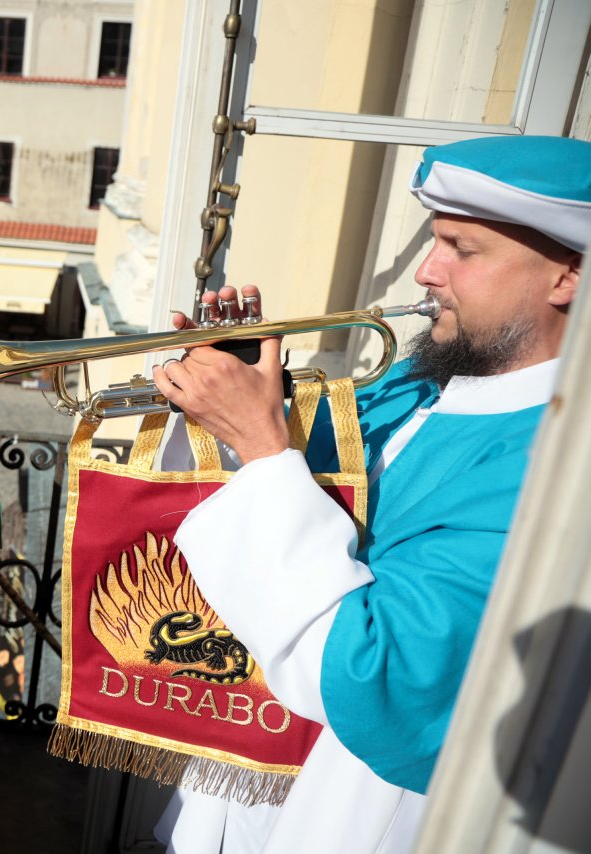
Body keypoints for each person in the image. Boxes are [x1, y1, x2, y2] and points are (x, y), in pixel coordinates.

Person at [148, 134, 587, 853]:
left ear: (567, 275)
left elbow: (374, 671)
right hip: (242, 772)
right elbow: (262, 510)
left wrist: (261, 446)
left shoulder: (558, 466)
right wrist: (231, 409)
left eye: (461, 249)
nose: (426, 272)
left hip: (349, 807)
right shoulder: (417, 382)